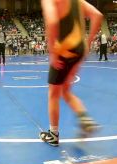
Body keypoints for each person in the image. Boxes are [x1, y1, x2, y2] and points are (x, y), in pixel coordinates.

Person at [39, 0, 103, 147]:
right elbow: (97, 15)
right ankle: (85, 119)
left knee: (53, 93)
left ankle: (53, 135)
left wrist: (53, 53)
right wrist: (89, 42)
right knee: (66, 91)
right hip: (79, 49)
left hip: (64, 50)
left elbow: (53, 21)